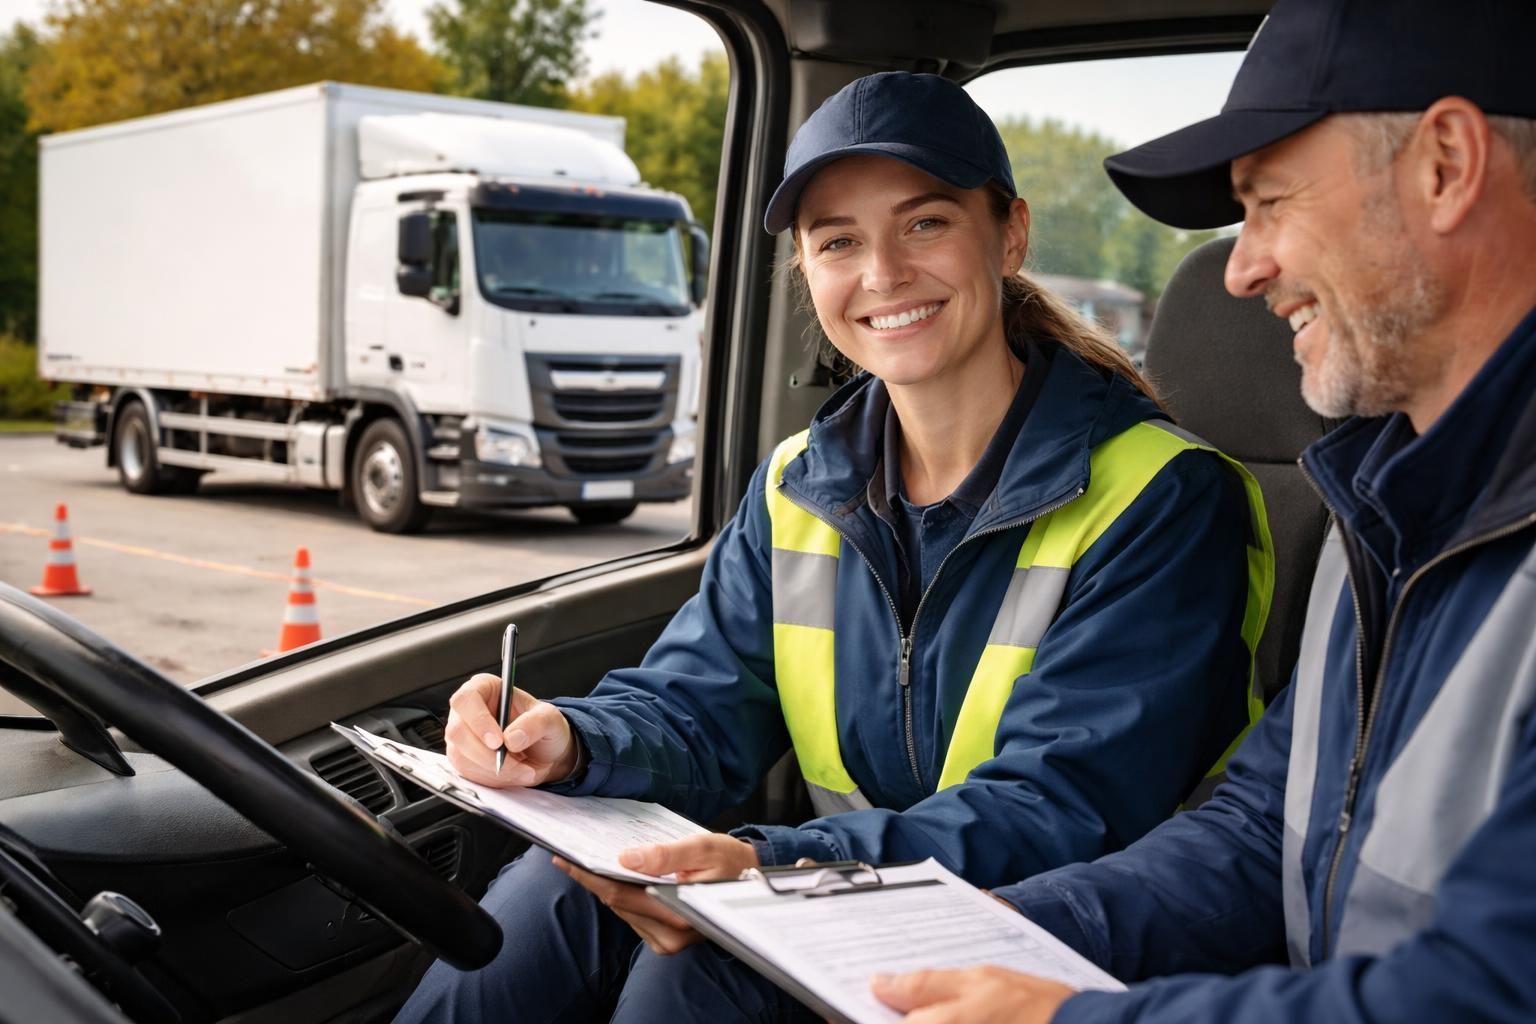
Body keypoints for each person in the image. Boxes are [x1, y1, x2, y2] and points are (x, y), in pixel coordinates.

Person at [395, 72, 1273, 1023]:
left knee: (701, 971)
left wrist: (781, 865)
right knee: (555, 889)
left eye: (925, 223)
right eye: (839, 241)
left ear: (1010, 234)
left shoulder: (1161, 494)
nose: (882, 274)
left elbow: (1060, 807)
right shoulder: (797, 483)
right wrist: (570, 740)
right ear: (808, 272)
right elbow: (699, 703)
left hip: (1053, 933)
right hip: (857, 894)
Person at [870, 1, 1536, 1022]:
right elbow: (1266, 829)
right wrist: (988, 933)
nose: (1240, 267)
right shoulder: (1383, 506)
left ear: (1445, 165)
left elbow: (1487, 994)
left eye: (1268, 202)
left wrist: (1064, 1018)